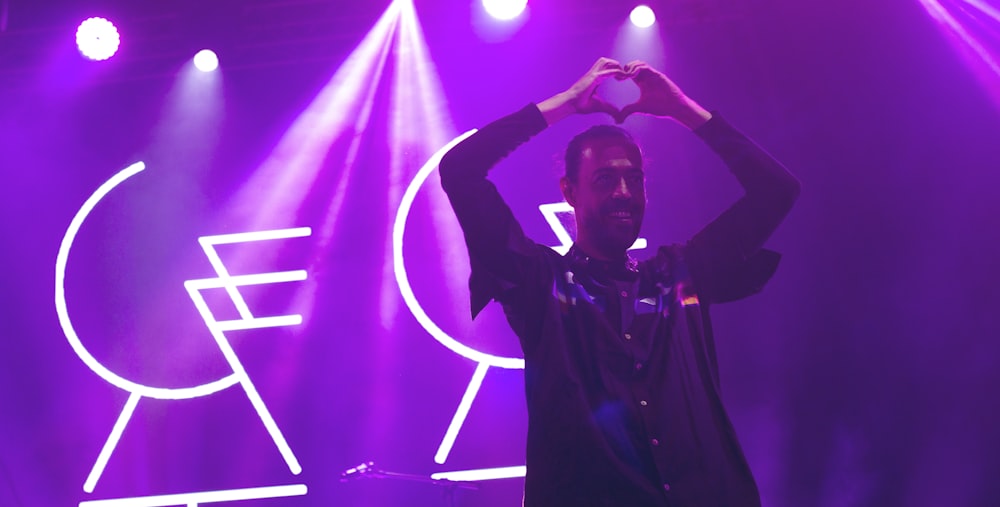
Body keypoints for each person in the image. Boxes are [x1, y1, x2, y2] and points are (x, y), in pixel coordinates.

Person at [438, 57, 800, 507]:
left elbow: (777, 191)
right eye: (606, 179)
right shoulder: (538, 282)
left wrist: (683, 109)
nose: (624, 192)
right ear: (569, 192)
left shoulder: (680, 275)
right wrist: (565, 105)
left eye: (634, 179)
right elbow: (460, 170)